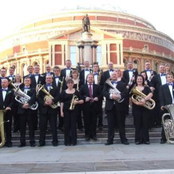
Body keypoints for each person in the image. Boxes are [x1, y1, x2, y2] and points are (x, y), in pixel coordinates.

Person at [103, 71, 129, 145]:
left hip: (120, 106)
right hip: (110, 107)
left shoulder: (122, 84)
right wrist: (111, 96)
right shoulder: (107, 84)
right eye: (112, 75)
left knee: (121, 124)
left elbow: (125, 93)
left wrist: (119, 96)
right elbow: (104, 92)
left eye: (115, 74)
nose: (114, 76)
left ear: (117, 75)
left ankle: (123, 139)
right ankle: (110, 140)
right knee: (110, 125)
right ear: (111, 76)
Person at [37, 75, 59, 147]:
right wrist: (44, 103)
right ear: (45, 80)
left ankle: (55, 141)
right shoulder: (41, 88)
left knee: (53, 127)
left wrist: (52, 101)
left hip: (52, 110)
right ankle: (41, 142)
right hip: (43, 110)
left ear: (52, 80)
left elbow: (58, 96)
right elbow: (39, 98)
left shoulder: (56, 88)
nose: (48, 79)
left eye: (50, 78)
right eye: (47, 78)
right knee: (42, 127)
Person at [60, 79, 84, 146]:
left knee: (73, 126)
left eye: (71, 83)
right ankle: (67, 141)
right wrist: (61, 111)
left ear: (73, 84)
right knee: (67, 126)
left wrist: (77, 102)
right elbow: (62, 102)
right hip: (66, 110)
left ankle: (74, 141)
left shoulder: (76, 92)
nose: (70, 84)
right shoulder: (63, 92)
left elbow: (82, 100)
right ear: (67, 84)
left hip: (74, 111)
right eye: (68, 83)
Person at [131, 75, 153, 144]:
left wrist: (144, 99)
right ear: (136, 80)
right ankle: (138, 140)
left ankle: (146, 139)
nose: (139, 80)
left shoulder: (146, 88)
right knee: (138, 124)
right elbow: (131, 98)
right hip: (136, 108)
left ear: (143, 80)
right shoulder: (133, 88)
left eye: (141, 79)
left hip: (145, 108)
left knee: (145, 124)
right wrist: (138, 103)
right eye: (138, 79)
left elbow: (151, 94)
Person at [80, 73, 102, 141]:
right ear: (86, 79)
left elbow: (101, 94)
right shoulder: (83, 87)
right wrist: (84, 99)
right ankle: (87, 135)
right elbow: (80, 95)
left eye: (91, 77)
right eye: (89, 77)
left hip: (95, 106)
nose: (90, 78)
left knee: (94, 121)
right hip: (86, 107)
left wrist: (98, 98)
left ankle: (94, 135)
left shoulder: (97, 86)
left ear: (93, 79)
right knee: (86, 122)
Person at [17, 77, 37, 147]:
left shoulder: (33, 90)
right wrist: (22, 105)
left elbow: (34, 98)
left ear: (30, 82)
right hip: (22, 111)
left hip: (30, 111)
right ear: (23, 82)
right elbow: (17, 100)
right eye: (25, 80)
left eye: (28, 80)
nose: (27, 81)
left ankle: (32, 141)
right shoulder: (20, 90)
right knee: (22, 128)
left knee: (31, 127)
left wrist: (28, 104)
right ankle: (22, 142)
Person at [159, 73, 174, 144]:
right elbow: (161, 97)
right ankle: (163, 138)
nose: (170, 78)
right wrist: (162, 105)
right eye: (168, 77)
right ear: (166, 78)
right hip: (167, 106)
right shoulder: (162, 87)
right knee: (165, 122)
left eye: (171, 77)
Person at [151, 63, 167, 127]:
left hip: (166, 96)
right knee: (158, 110)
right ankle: (158, 122)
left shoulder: (167, 76)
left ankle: (166, 123)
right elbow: (152, 85)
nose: (162, 69)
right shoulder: (155, 77)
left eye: (163, 67)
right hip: (158, 96)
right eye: (161, 68)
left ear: (165, 69)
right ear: (159, 69)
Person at [0, 78, 14, 147]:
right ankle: (1, 141)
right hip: (0, 112)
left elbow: (12, 100)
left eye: (5, 82)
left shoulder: (11, 91)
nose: (3, 83)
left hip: (8, 112)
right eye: (2, 82)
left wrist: (9, 106)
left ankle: (9, 142)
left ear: (8, 83)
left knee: (8, 127)